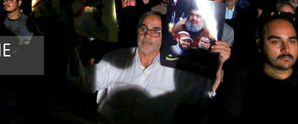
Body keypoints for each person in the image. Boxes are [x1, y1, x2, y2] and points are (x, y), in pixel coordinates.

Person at [68, 11, 231, 123]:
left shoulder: (176, 70)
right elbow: (84, 84)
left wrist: (220, 64)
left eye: (155, 31)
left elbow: (204, 97)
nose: (147, 35)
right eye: (143, 29)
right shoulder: (116, 57)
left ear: (165, 36)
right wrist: (74, 51)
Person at [211, 14, 298, 123]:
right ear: (260, 44)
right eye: (276, 42)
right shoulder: (240, 82)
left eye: (292, 41)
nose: (286, 49)